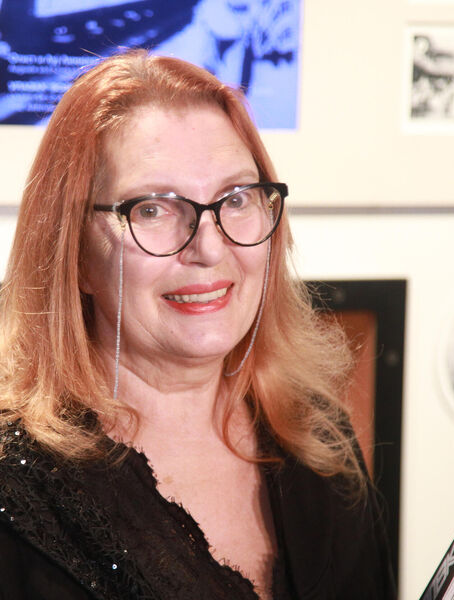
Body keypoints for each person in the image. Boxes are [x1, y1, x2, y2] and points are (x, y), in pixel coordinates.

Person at [0, 50, 396, 599]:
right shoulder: (16, 488)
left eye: (236, 198)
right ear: (76, 254)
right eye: (153, 209)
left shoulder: (316, 434)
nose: (209, 247)